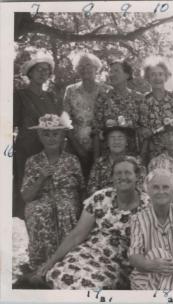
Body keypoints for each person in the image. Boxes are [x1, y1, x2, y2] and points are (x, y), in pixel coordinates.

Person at [37, 156, 149, 289]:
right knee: (57, 274)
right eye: (118, 173)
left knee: (88, 287)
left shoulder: (148, 205)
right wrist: (52, 261)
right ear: (112, 177)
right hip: (89, 252)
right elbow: (77, 235)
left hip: (118, 262)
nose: (122, 177)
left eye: (128, 172)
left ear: (137, 176)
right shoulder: (101, 197)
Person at [21, 112, 84, 270]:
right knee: (39, 210)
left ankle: (67, 261)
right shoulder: (33, 161)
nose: (51, 138)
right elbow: (26, 196)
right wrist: (41, 178)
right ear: (40, 137)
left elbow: (82, 189)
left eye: (56, 134)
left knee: (65, 208)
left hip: (68, 202)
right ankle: (41, 264)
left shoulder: (72, 160)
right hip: (40, 201)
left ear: (63, 136)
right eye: (46, 134)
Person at [14, 54, 62, 219]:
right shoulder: (19, 95)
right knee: (27, 192)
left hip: (47, 151)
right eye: (39, 70)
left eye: (47, 71)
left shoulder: (51, 97)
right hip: (26, 150)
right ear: (30, 73)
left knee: (46, 192)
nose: (43, 73)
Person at [63, 52, 111, 180]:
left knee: (99, 179)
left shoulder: (107, 90)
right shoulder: (70, 90)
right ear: (77, 70)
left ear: (96, 68)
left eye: (88, 65)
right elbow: (65, 121)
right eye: (81, 66)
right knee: (76, 181)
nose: (85, 69)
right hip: (75, 144)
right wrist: (78, 148)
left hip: (102, 145)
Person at [138, 57, 173, 162]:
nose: (157, 78)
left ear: (166, 77)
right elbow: (140, 127)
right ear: (147, 78)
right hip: (155, 152)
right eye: (153, 74)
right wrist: (144, 131)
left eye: (160, 74)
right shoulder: (143, 100)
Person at [93, 60, 143, 159]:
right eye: (110, 71)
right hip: (108, 156)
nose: (112, 74)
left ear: (127, 75)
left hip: (133, 156)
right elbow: (96, 131)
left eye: (116, 71)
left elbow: (144, 129)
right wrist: (96, 159)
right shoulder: (103, 98)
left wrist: (143, 156)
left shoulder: (138, 98)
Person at [87, 117, 146, 196]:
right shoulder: (99, 163)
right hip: (104, 204)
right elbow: (92, 190)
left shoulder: (136, 162)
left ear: (126, 142)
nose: (116, 141)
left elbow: (141, 188)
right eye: (112, 138)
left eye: (120, 137)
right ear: (107, 143)